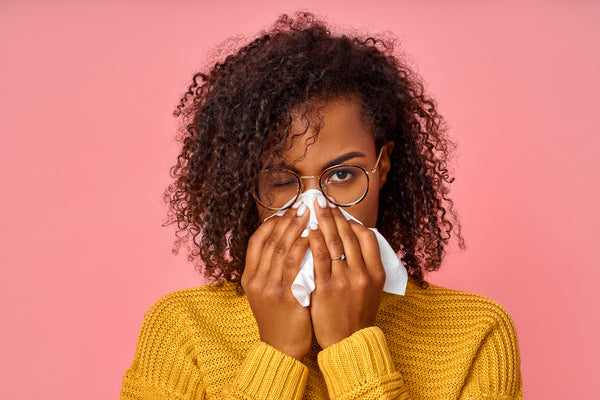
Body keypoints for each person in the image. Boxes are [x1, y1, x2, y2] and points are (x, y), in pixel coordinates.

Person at [120, 12, 523, 400]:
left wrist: (352, 346)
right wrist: (276, 354)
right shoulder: (183, 328)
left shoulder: (476, 331)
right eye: (281, 180)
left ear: (381, 168)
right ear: (248, 186)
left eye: (343, 175)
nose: (315, 209)